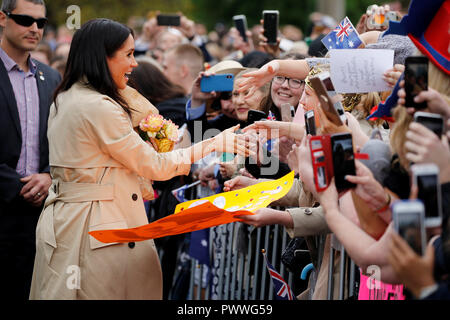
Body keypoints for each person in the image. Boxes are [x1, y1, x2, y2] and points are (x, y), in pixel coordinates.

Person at [29, 18, 253, 300]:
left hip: (74, 224)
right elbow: (155, 165)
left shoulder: (67, 96)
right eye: (128, 54)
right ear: (103, 57)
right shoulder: (99, 106)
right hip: (97, 229)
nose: (135, 63)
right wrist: (212, 144)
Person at [0, 0, 61, 300]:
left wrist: (49, 176)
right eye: (25, 19)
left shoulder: (51, 78)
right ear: (2, 18)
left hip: (40, 217)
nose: (34, 28)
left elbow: (64, 143)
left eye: (41, 22)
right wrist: (19, 186)